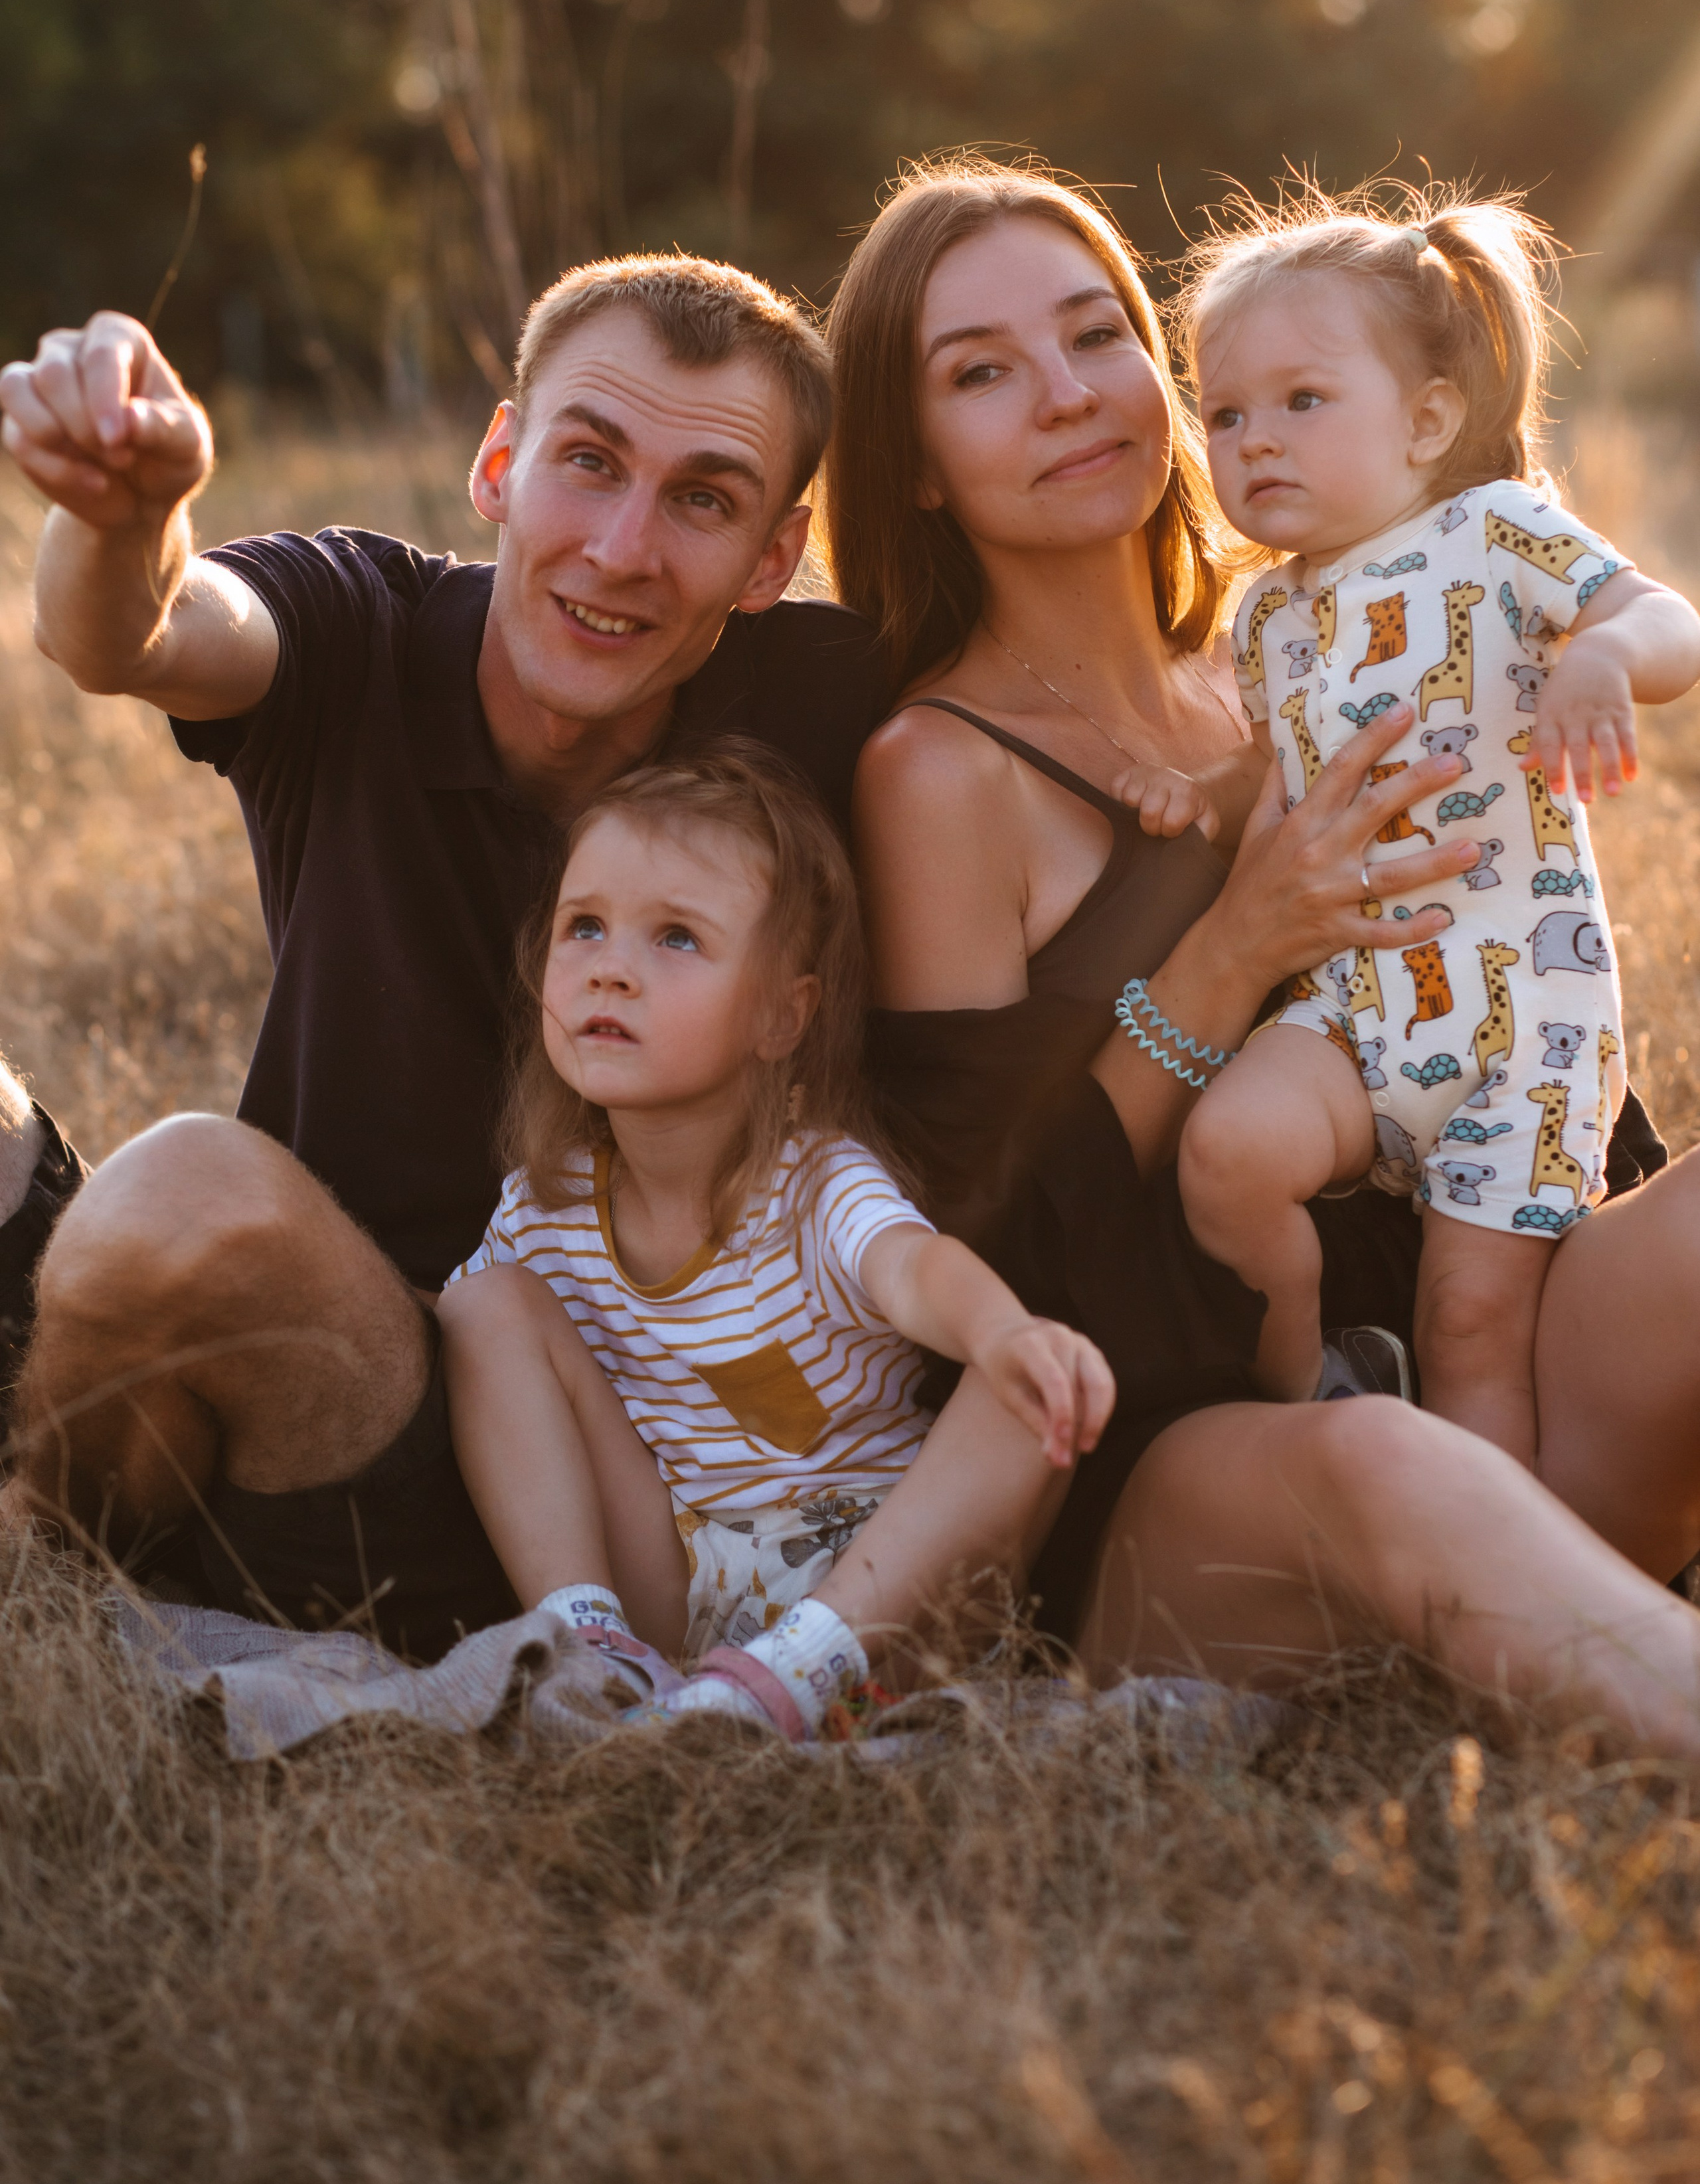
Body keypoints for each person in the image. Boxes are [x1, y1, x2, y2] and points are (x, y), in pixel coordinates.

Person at [811, 151, 1700, 1760]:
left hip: (1472, 1340)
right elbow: (984, 1231)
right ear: (917, 463)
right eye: (981, 373)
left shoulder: (1280, 655)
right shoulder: (936, 772)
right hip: (1191, 1444)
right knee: (1392, 1467)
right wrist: (1234, 946)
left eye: (1097, 336)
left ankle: (1557, 1637)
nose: (1067, 394)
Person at [0, 255, 888, 1660]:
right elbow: (134, 633)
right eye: (588, 462)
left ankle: (37, 1566)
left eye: (703, 500)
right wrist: (124, 516)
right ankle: (86, 1522)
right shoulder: (358, 622)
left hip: (535, 1471)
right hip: (295, 1325)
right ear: (498, 465)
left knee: (183, 1192)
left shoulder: (828, 707)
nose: (622, 548)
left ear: (772, 559)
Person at [437, 747, 1110, 1738]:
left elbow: (913, 1268)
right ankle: (588, 1650)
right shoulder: (546, 1207)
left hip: (883, 1597)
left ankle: (790, 1678)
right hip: (677, 1588)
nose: (609, 968)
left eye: (676, 937)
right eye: (585, 926)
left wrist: (1003, 1333)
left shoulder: (813, 1181)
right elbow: (469, 1363)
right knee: (480, 1307)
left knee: (1030, 1384)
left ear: (782, 1016)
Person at [1175, 191, 1700, 1454]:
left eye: (1303, 400)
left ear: (1426, 420)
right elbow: (1276, 775)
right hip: (1355, 1010)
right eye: (1225, 414)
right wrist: (1198, 795)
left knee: (1473, 1326)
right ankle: (1314, 1384)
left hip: (1520, 1018)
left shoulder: (1493, 532)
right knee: (1228, 1155)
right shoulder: (1268, 615)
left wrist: (1602, 656)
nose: (1256, 440)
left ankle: (1484, 1549)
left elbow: (1670, 622)